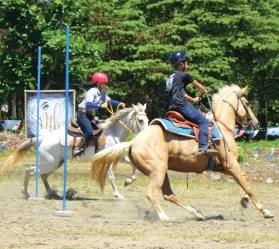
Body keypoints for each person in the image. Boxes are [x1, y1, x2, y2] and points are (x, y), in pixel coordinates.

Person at [166, 50, 218, 157]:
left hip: (172, 106)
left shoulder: (171, 78)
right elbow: (199, 86)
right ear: (181, 64)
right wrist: (204, 91)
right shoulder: (184, 75)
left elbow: (181, 92)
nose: (187, 65)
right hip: (181, 105)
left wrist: (193, 100)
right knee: (203, 121)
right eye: (186, 62)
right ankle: (203, 147)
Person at [73, 72, 125, 156]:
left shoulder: (102, 93)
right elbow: (88, 104)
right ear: (99, 83)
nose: (107, 85)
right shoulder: (92, 91)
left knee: (100, 130)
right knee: (89, 132)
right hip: (82, 114)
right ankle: (77, 148)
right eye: (105, 83)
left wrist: (120, 103)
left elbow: (109, 101)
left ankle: (95, 149)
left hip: (90, 115)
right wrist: (101, 105)